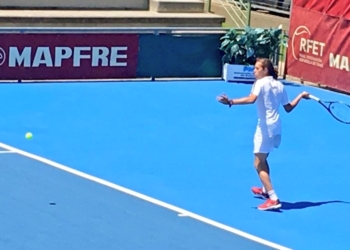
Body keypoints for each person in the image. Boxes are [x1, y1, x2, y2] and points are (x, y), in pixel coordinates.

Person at [217, 58, 310, 211]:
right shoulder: (280, 85)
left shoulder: (260, 83)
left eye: (256, 68)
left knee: (258, 163)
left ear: (265, 70)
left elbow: (251, 99)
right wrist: (300, 96)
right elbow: (288, 108)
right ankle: (266, 190)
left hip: (265, 128)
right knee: (262, 158)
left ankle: (273, 198)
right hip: (276, 128)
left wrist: (231, 102)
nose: (254, 71)